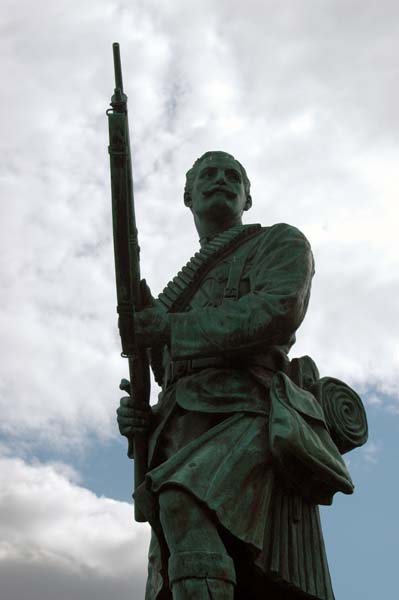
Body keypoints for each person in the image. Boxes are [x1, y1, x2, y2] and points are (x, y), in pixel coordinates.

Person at [117, 151, 337, 600]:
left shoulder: (279, 242)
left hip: (247, 410)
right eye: (208, 175)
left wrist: (170, 327)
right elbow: (168, 377)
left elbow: (278, 309)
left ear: (247, 197)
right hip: (180, 430)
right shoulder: (173, 295)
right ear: (188, 195)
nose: (220, 180)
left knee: (185, 502)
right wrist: (143, 414)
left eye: (231, 175)